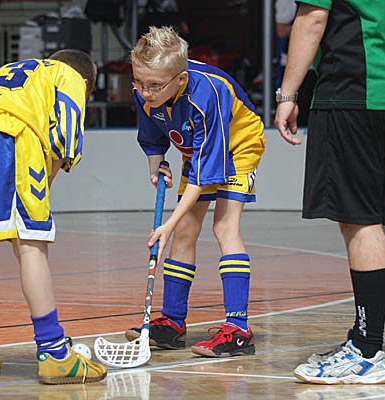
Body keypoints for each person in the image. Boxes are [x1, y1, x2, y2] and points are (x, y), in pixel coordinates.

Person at [0, 49, 107, 384]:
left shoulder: (13, 70)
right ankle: (54, 352)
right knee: (31, 245)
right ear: (87, 83)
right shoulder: (69, 75)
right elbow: (64, 136)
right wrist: (40, 195)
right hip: (6, 138)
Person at [274, 0, 385, 385]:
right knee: (366, 220)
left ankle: (367, 353)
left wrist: (288, 95)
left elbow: (313, 17)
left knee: (360, 222)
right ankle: (362, 339)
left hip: (354, 90)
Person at [124, 26, 265, 358]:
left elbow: (204, 175)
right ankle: (173, 323)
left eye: (154, 85)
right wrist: (156, 165)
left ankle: (238, 331)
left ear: (181, 79)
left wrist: (167, 225)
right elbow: (153, 134)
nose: (145, 92)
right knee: (185, 230)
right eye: (139, 82)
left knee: (224, 226)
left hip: (238, 146)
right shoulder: (148, 88)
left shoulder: (207, 95)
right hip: (198, 151)